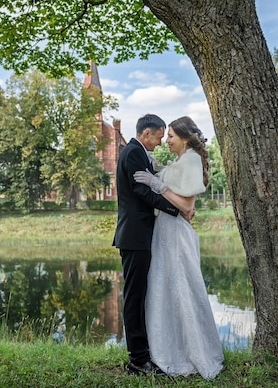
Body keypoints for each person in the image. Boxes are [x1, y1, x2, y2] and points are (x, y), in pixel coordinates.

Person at [133, 116, 224, 380]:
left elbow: (186, 205)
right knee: (164, 290)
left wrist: (157, 185)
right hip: (165, 231)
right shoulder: (180, 161)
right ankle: (167, 350)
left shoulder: (191, 159)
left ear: (184, 137)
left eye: (170, 136)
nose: (166, 140)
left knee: (182, 289)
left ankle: (189, 353)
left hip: (175, 234)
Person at [112, 114, 181, 376]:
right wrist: (174, 209)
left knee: (140, 295)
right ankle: (138, 361)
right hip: (134, 236)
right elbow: (141, 191)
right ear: (147, 133)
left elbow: (147, 186)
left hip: (140, 235)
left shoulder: (138, 153)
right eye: (159, 137)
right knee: (133, 297)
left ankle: (143, 354)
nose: (161, 142)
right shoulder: (132, 153)